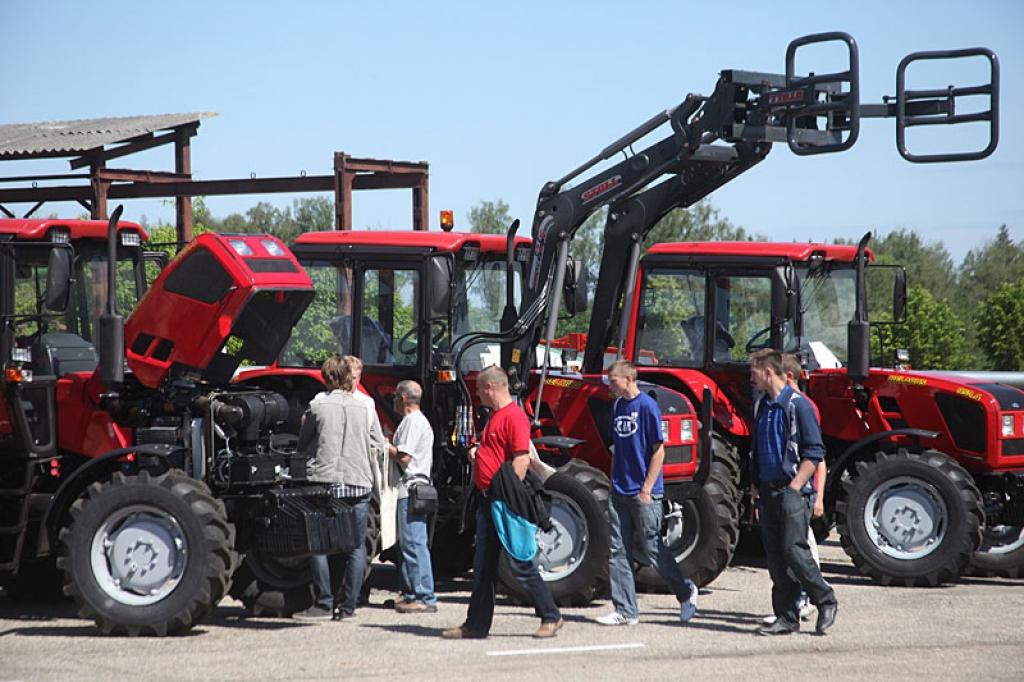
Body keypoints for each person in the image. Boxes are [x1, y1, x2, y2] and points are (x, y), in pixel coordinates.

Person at [442, 365, 564, 640]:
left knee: (520, 562)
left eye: (478, 389)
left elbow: (521, 458)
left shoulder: (514, 417)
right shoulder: (496, 416)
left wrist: (508, 495)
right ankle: (476, 625)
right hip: (489, 503)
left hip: (502, 503)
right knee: (483, 566)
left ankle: (551, 615)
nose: (477, 394)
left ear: (490, 388)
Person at [594, 360, 699, 627]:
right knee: (618, 550)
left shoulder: (647, 407)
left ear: (628, 379)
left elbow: (658, 450)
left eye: (613, 379)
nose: (609, 384)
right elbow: (614, 444)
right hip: (619, 490)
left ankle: (686, 592)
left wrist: (647, 488)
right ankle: (626, 610)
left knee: (653, 548)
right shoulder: (617, 406)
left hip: (644, 492)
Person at [749, 349, 838, 636]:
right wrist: (756, 486)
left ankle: (825, 600)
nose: (751, 378)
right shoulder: (762, 406)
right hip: (767, 491)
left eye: (754, 372)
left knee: (794, 551)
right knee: (776, 559)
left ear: (768, 373)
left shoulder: (798, 406)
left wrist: (795, 488)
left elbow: (814, 453)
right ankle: (786, 617)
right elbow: (758, 451)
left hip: (792, 491)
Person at [294, 355, 385, 621]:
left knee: (318, 545)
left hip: (325, 483)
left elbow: (304, 442)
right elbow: (378, 443)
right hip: (358, 483)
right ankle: (347, 608)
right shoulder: (365, 408)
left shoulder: (318, 405)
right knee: (355, 547)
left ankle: (323, 603)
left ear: (328, 378)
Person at [387, 380, 437, 613]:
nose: (393, 401)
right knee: (410, 543)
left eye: (395, 396)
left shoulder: (412, 422)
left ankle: (424, 597)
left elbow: (404, 457)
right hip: (416, 488)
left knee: (414, 544)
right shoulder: (417, 421)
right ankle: (410, 593)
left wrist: (383, 445)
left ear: (404, 398)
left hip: (411, 489)